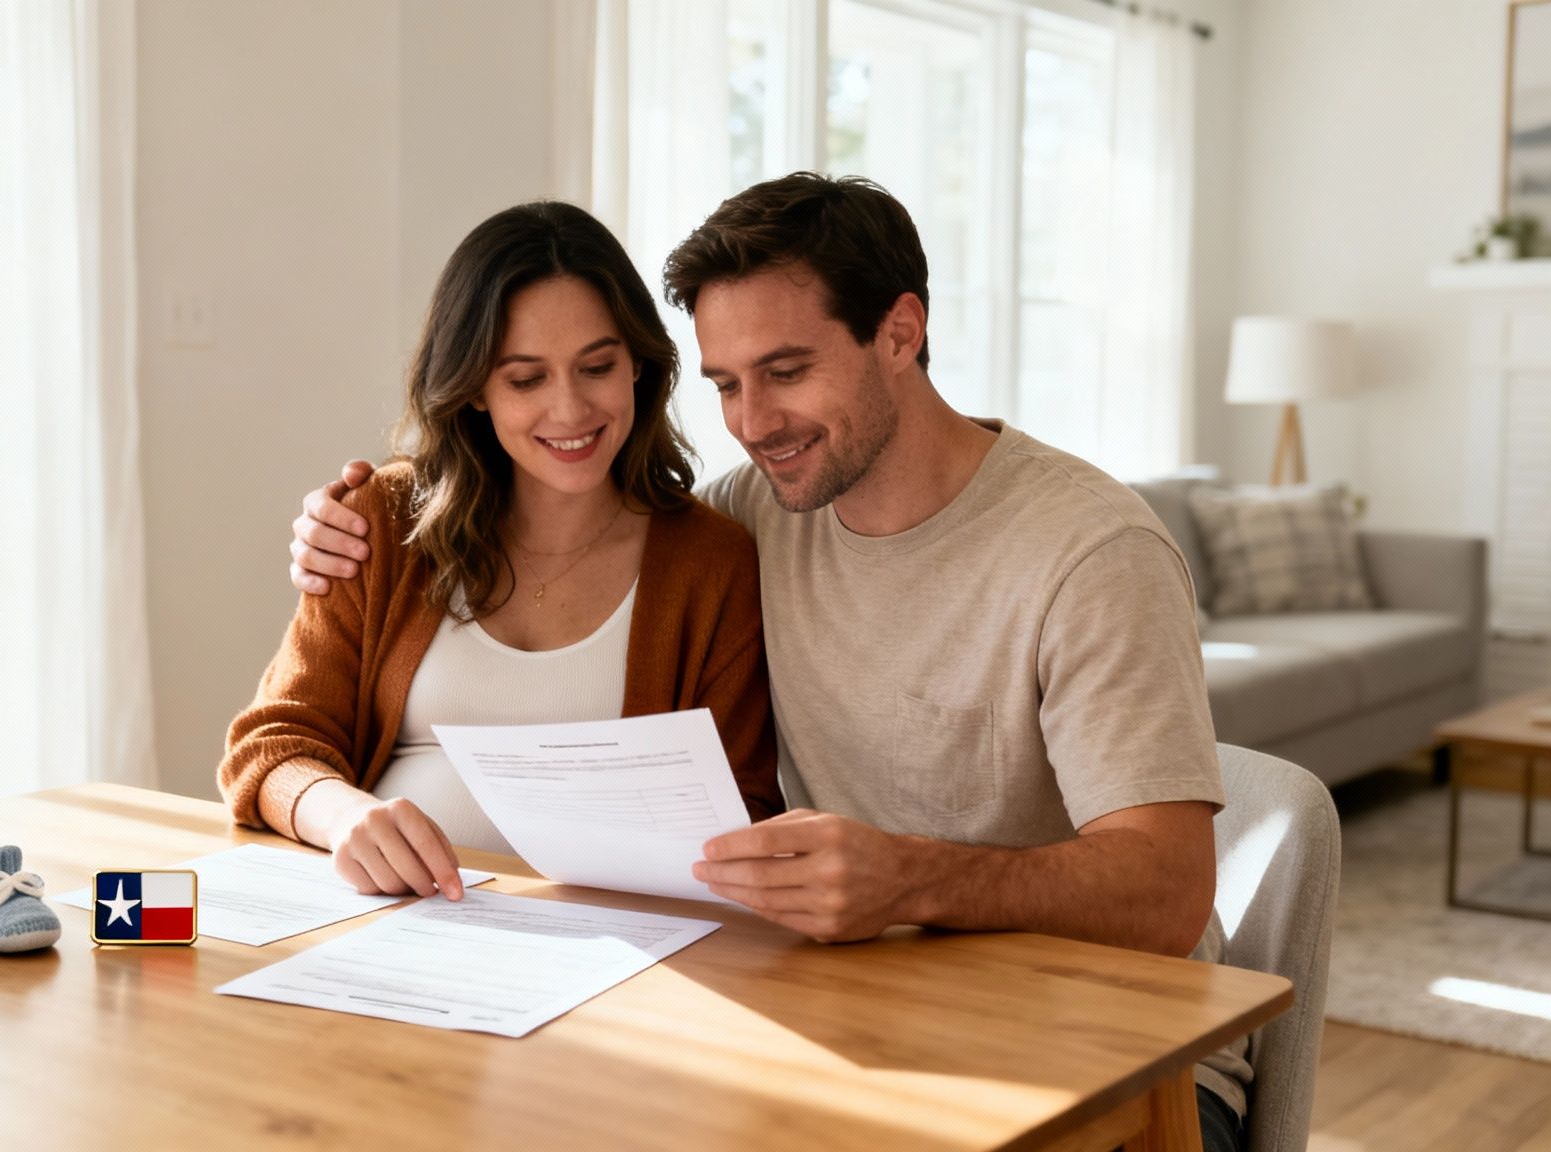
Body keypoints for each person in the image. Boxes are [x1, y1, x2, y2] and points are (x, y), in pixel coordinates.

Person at [284, 174, 1249, 1152]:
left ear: (901, 333)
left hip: (1125, 1064)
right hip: (864, 1017)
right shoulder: (754, 515)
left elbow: (1165, 896)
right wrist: (345, 515)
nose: (751, 421)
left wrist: (910, 882)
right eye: (724, 384)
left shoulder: (1086, 552)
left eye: (786, 370)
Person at [219, 200, 783, 905]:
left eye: (597, 366)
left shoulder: (712, 562)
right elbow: (270, 746)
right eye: (526, 379)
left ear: (638, 365)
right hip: (384, 927)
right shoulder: (379, 524)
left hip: (615, 951)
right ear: (475, 389)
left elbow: (745, 813)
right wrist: (344, 816)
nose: (571, 410)